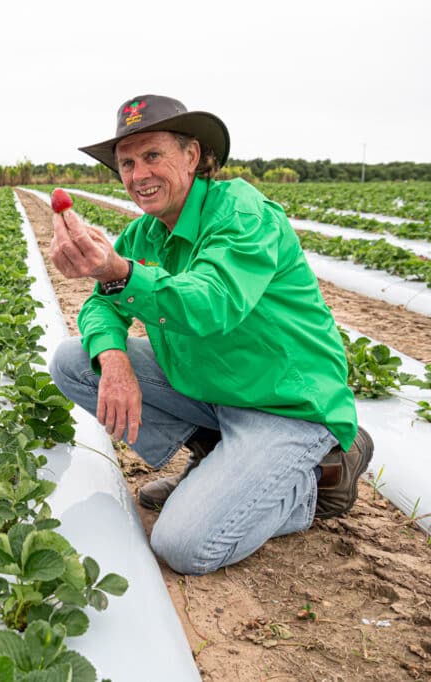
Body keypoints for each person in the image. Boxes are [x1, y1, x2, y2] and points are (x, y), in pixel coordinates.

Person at [48, 94, 373, 575]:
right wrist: (114, 359)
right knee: (77, 361)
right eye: (128, 163)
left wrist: (119, 271)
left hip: (283, 405)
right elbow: (101, 303)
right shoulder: (146, 234)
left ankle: (320, 478)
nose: (139, 175)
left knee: (184, 545)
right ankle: (215, 457)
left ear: (193, 156)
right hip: (214, 393)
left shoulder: (241, 213)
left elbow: (211, 302)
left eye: (153, 156)